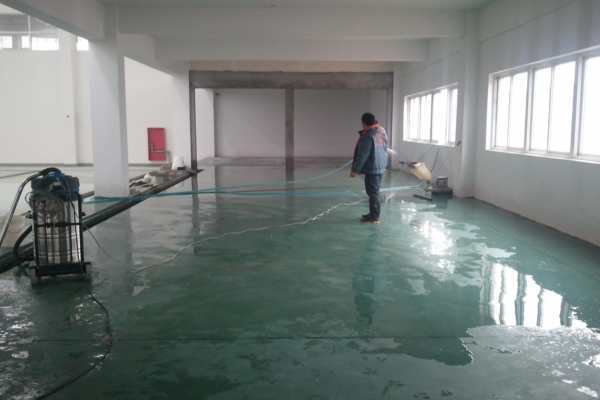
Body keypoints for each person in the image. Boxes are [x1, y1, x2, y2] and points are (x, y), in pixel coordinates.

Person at [350, 112, 389, 223]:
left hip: (373, 167)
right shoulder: (381, 130)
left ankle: (374, 217)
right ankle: (373, 214)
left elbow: (363, 154)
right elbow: (385, 145)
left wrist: (355, 170)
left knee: (373, 193)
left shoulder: (368, 135)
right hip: (380, 165)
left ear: (364, 123)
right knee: (373, 191)